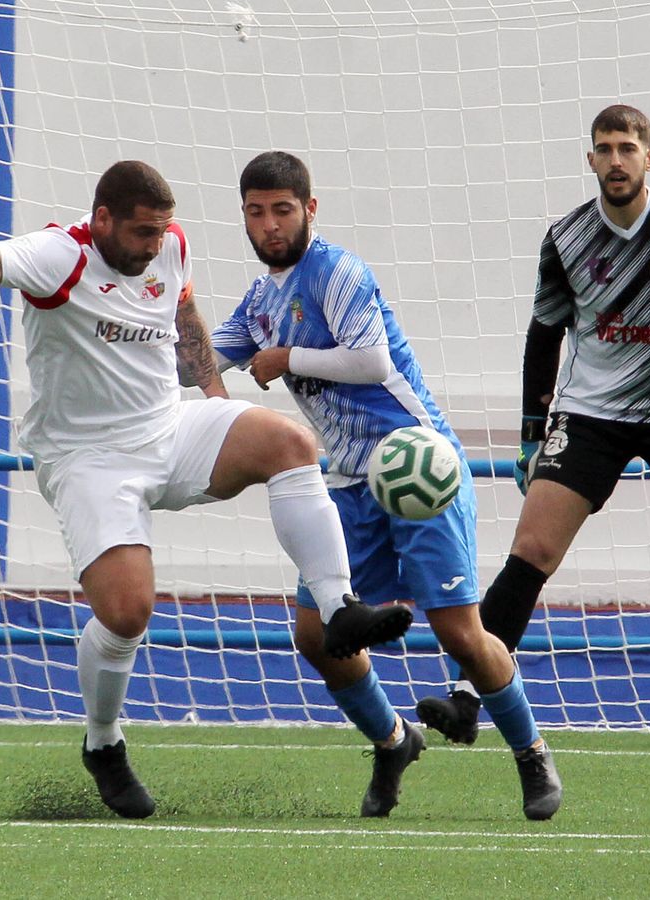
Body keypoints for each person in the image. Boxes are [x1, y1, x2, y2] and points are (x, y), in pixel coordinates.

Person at [0, 160, 412, 819]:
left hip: (168, 428)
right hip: (89, 459)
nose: (151, 246)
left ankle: (340, 608)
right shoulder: (62, 254)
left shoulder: (170, 244)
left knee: (287, 442)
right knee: (127, 613)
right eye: (140, 233)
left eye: (159, 232)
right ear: (103, 220)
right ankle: (103, 743)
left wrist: (219, 402)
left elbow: (186, 311)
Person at [417, 104, 650, 751]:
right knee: (532, 550)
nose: (617, 159)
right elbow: (543, 334)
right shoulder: (566, 238)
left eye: (628, 147)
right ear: (590, 159)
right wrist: (529, 433)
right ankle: (464, 699)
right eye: (605, 148)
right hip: (588, 415)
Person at [210, 152, 562, 820]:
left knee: (460, 634)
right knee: (317, 638)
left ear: (310, 209)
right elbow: (200, 356)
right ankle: (393, 740)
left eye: (283, 209)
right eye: (256, 212)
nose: (270, 224)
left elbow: (370, 360)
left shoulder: (336, 270)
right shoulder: (260, 302)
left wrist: (286, 359)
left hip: (418, 468)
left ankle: (530, 751)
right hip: (344, 486)